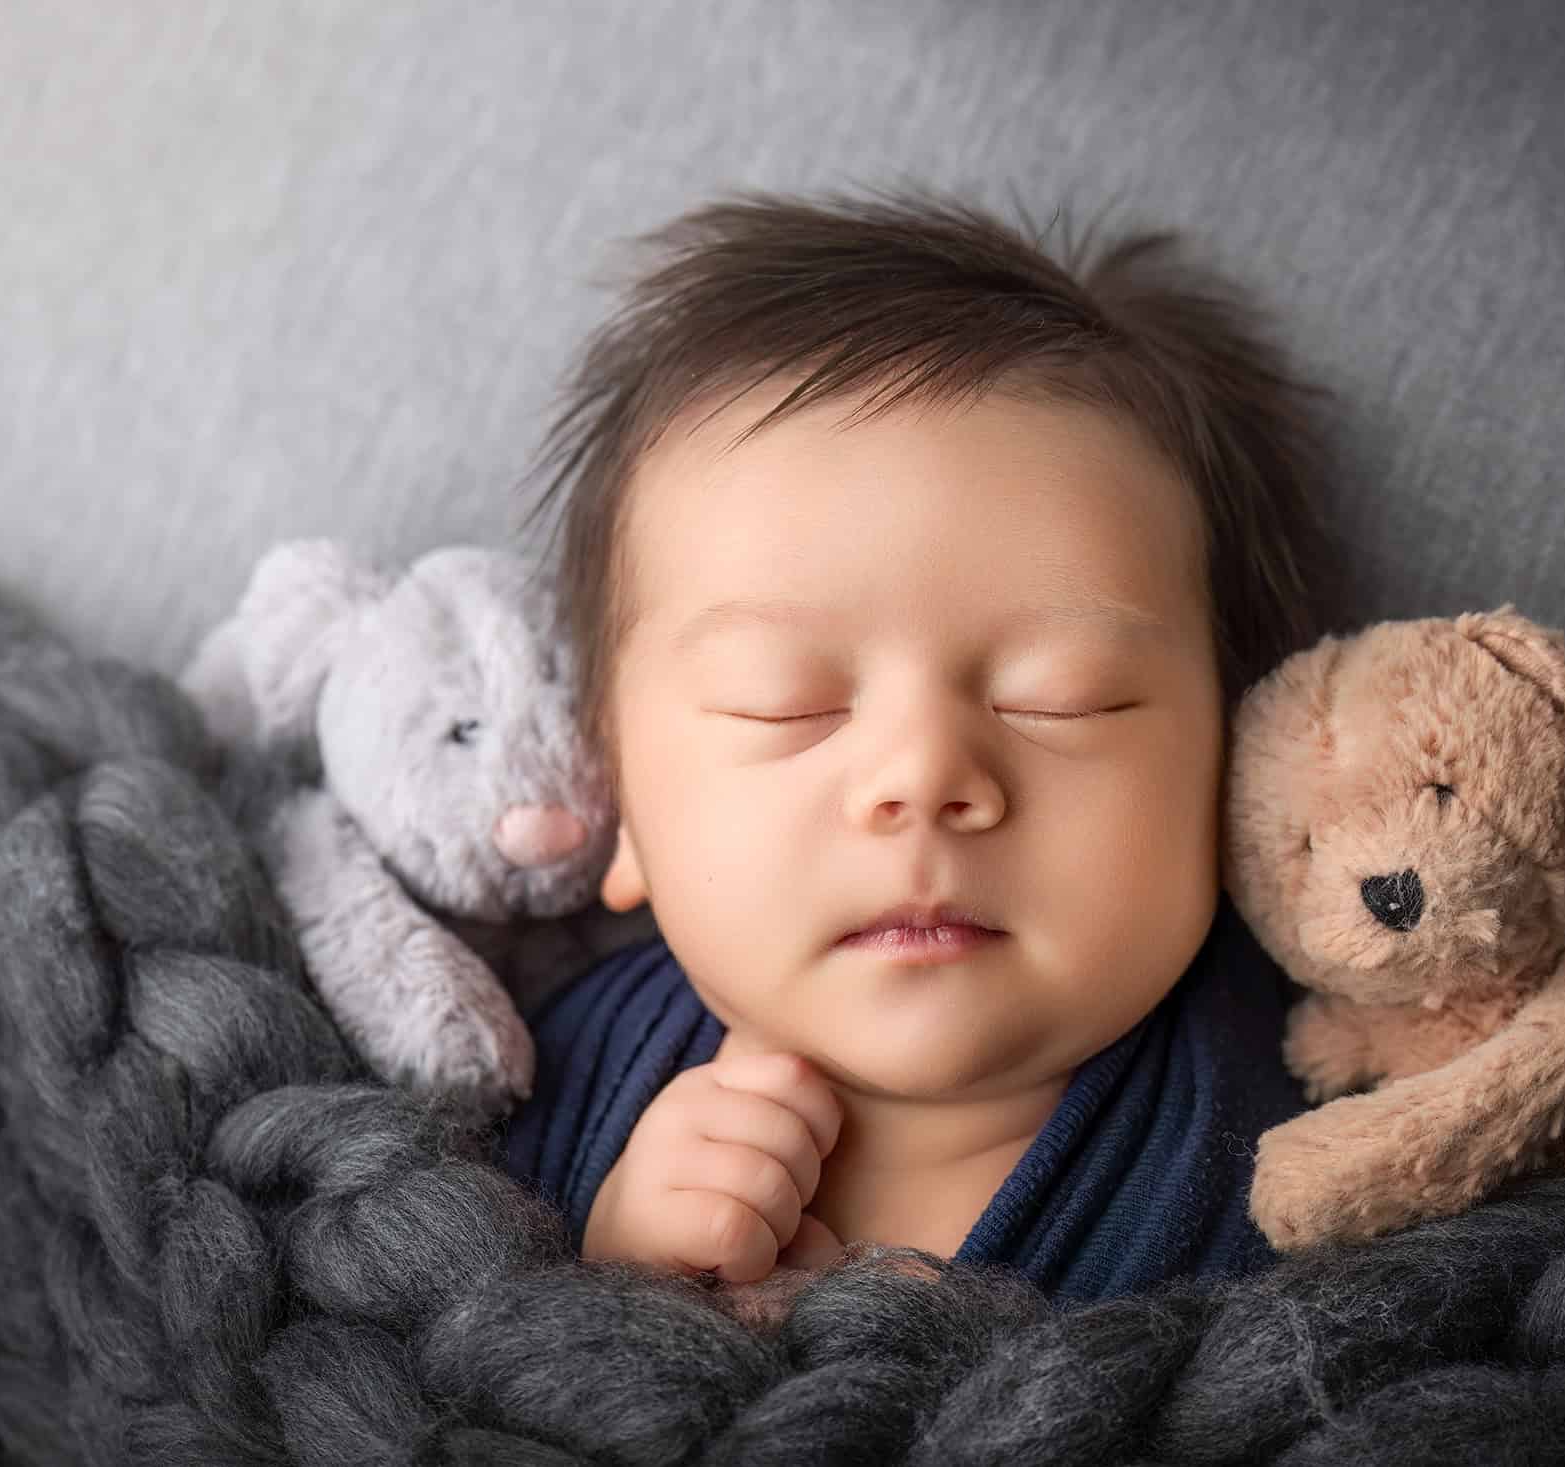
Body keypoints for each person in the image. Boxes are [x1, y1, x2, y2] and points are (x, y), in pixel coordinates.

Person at [501, 189, 1331, 1305]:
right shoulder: (536, 1087)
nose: (925, 774)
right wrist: (618, 1294)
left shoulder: (1306, 1162)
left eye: (1064, 698)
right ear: (620, 800)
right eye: (783, 703)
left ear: (1237, 755)